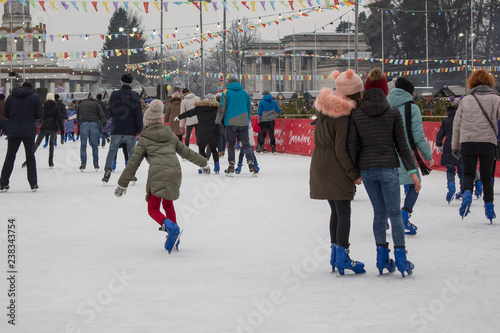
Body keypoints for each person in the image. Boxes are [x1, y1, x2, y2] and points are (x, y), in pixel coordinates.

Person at [114, 99, 208, 253]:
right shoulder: (170, 135)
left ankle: (170, 227)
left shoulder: (144, 139)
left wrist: (122, 184)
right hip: (175, 171)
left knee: (152, 208)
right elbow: (187, 152)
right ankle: (175, 236)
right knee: (168, 204)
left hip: (157, 173)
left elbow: (133, 163)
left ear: (147, 121)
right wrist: (203, 163)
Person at [348, 81, 421, 278]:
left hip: (367, 169)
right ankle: (401, 258)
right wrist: (412, 171)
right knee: (395, 214)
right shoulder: (393, 113)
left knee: (379, 213)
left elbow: (352, 144)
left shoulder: (357, 114)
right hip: (388, 168)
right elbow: (402, 145)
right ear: (385, 91)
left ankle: (381, 257)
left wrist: (355, 172)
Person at [310, 69, 364, 275]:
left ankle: (335, 255)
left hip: (319, 162)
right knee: (344, 211)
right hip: (335, 164)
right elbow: (341, 149)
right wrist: (354, 174)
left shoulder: (325, 107)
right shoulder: (343, 112)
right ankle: (343, 257)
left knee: (335, 210)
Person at [387, 77, 434, 235]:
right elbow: (418, 135)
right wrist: (428, 156)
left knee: (388, 187)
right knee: (415, 185)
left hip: (385, 154)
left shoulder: (385, 105)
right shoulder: (412, 109)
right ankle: (404, 216)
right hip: (404, 154)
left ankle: (384, 217)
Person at [452, 69, 500, 223]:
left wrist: (455, 146)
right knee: (486, 176)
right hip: (488, 142)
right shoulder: (496, 99)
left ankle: (467, 194)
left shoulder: (465, 100)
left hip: (468, 142)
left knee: (468, 174)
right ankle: (489, 206)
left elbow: (457, 125)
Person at [0, 82, 44, 192]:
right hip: (28, 130)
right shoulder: (35, 97)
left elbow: (5, 114)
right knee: (30, 157)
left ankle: (3, 183)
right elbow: (39, 115)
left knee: (10, 156)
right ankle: (33, 183)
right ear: (30, 88)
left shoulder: (11, 97)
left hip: (13, 130)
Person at [102, 73, 143, 183]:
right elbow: (138, 114)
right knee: (131, 152)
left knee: (112, 150)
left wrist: (115, 118)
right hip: (131, 128)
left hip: (117, 127)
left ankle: (107, 171)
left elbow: (110, 110)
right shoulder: (135, 95)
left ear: (121, 82)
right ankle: (131, 173)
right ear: (131, 83)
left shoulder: (114, 95)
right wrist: (139, 129)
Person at [216, 77, 256, 176]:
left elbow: (222, 108)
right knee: (246, 144)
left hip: (230, 122)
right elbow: (249, 108)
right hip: (243, 122)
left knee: (230, 144)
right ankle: (251, 165)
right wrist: (247, 119)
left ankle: (231, 166)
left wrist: (217, 121)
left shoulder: (226, 93)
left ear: (229, 83)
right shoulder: (244, 92)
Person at [176, 94, 220, 174]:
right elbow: (222, 117)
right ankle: (217, 166)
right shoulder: (217, 108)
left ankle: (203, 167)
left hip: (202, 131)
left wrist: (179, 117)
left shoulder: (199, 108)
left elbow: (189, 113)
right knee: (213, 149)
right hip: (213, 131)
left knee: (201, 149)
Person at [21, 93, 63, 169]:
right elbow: (59, 118)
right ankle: (50, 161)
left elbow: (40, 116)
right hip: (53, 126)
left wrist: (40, 122)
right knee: (51, 143)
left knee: (37, 143)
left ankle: (28, 160)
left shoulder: (44, 107)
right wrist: (62, 128)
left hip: (45, 125)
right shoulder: (56, 107)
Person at [436, 96, 464, 203]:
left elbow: (440, 134)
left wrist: (439, 144)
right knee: (462, 171)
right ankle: (462, 189)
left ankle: (451, 185)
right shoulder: (463, 120)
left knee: (450, 170)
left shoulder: (446, 121)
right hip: (461, 147)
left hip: (448, 147)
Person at [77, 97, 107, 171]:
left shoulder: (80, 105)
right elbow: (102, 115)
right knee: (94, 145)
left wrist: (80, 123)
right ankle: (96, 164)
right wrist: (105, 126)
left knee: (83, 145)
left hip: (83, 123)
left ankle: (83, 164)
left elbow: (78, 116)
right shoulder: (96, 105)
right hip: (94, 123)